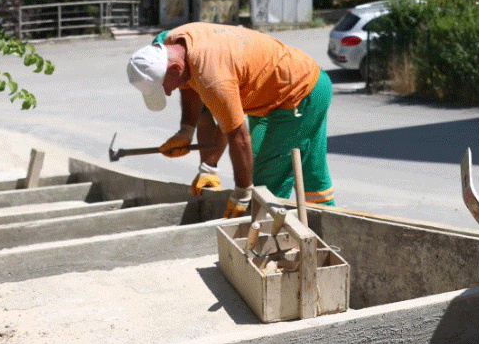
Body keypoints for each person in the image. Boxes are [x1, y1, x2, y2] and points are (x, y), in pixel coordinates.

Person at [125, 23, 336, 217]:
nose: (169, 93)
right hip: (281, 88)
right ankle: (329, 224)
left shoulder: (213, 78)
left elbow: (238, 136)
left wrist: (242, 193)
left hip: (298, 95)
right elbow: (188, 87)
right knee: (310, 171)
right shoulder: (172, 43)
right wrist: (186, 131)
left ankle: (265, 243)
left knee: (266, 185)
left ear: (173, 69)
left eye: (165, 87)